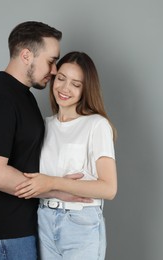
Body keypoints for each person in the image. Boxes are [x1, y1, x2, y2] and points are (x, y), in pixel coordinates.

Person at [0, 21, 88, 260]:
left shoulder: (23, 96)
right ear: (26, 55)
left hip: (19, 226)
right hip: (3, 231)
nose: (54, 71)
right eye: (51, 61)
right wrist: (56, 190)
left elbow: (17, 150)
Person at [15, 51, 118, 260]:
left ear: (85, 90)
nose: (65, 88)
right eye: (61, 79)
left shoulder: (96, 125)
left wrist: (53, 182)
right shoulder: (43, 125)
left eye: (76, 84)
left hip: (80, 224)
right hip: (43, 219)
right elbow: (19, 169)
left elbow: (109, 188)